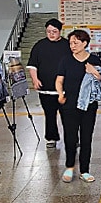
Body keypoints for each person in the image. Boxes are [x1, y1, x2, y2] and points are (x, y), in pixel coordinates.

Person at [56, 29, 101, 183]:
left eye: (75, 42)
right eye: (70, 43)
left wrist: (93, 71)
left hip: (89, 105)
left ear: (84, 43)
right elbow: (59, 80)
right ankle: (69, 167)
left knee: (86, 137)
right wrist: (60, 94)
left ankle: (85, 170)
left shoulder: (95, 60)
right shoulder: (65, 60)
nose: (72, 46)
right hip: (69, 105)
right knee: (70, 137)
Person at [27, 18, 68, 149]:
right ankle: (51, 137)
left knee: (68, 115)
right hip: (46, 89)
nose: (51, 34)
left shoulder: (67, 45)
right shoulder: (39, 46)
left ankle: (71, 137)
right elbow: (32, 65)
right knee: (49, 115)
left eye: (54, 31)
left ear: (60, 32)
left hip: (65, 89)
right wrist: (35, 79)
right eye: (48, 31)